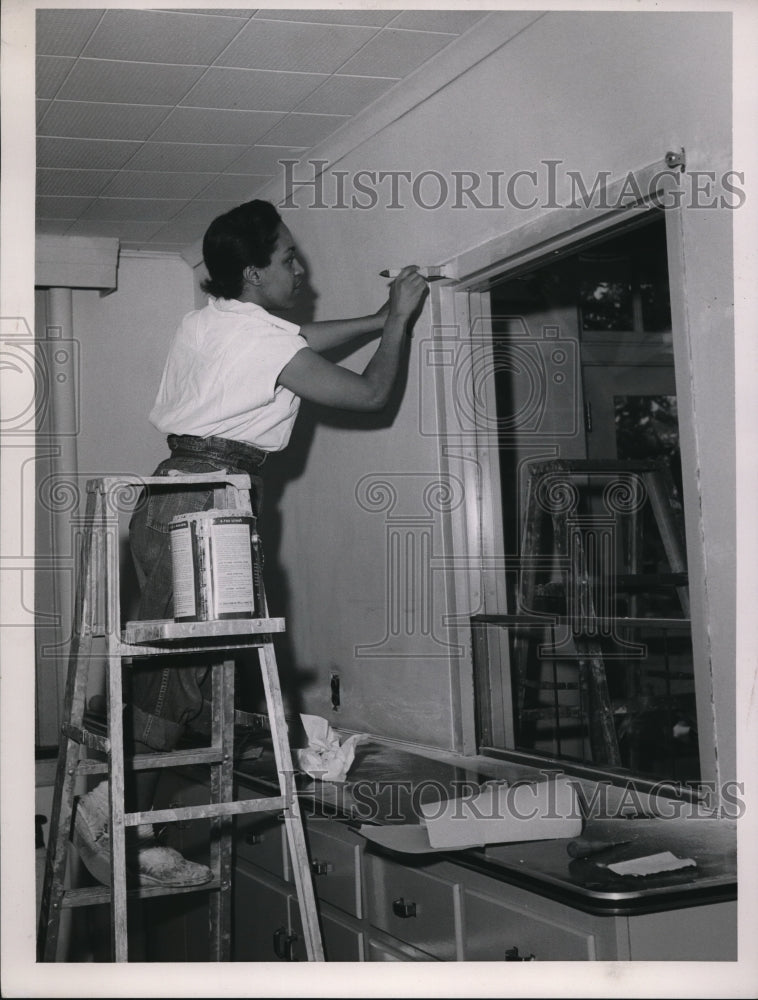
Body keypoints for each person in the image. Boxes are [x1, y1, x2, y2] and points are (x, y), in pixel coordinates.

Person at [73, 199, 428, 887]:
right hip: (210, 499)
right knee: (183, 667)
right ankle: (109, 807)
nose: (302, 268)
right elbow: (369, 394)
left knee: (180, 663)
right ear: (254, 272)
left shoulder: (211, 322)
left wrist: (379, 315)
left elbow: (298, 339)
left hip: (170, 493)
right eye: (289, 258)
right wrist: (401, 326)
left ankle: (129, 820)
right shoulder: (264, 342)